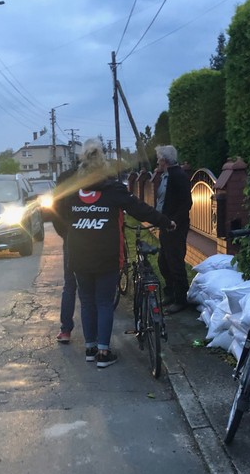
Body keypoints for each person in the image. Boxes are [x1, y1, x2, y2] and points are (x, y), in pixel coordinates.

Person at [56, 138, 175, 369]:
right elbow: (140, 210)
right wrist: (166, 222)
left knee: (87, 301)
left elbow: (56, 216)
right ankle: (103, 352)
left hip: (78, 255)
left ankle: (90, 349)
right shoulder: (113, 190)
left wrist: (70, 235)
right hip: (106, 256)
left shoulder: (71, 193)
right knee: (103, 302)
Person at [154, 145, 193, 314]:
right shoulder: (166, 175)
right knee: (163, 261)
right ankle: (170, 293)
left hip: (176, 227)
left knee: (175, 262)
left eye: (158, 158)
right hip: (166, 225)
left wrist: (174, 221)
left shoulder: (178, 176)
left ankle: (180, 300)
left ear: (164, 160)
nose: (157, 161)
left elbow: (187, 203)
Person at [51, 168, 77, 344]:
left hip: (71, 237)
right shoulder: (100, 176)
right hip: (97, 237)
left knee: (70, 285)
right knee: (93, 290)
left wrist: (65, 234)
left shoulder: (64, 178)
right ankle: (98, 337)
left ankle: (66, 329)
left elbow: (55, 211)